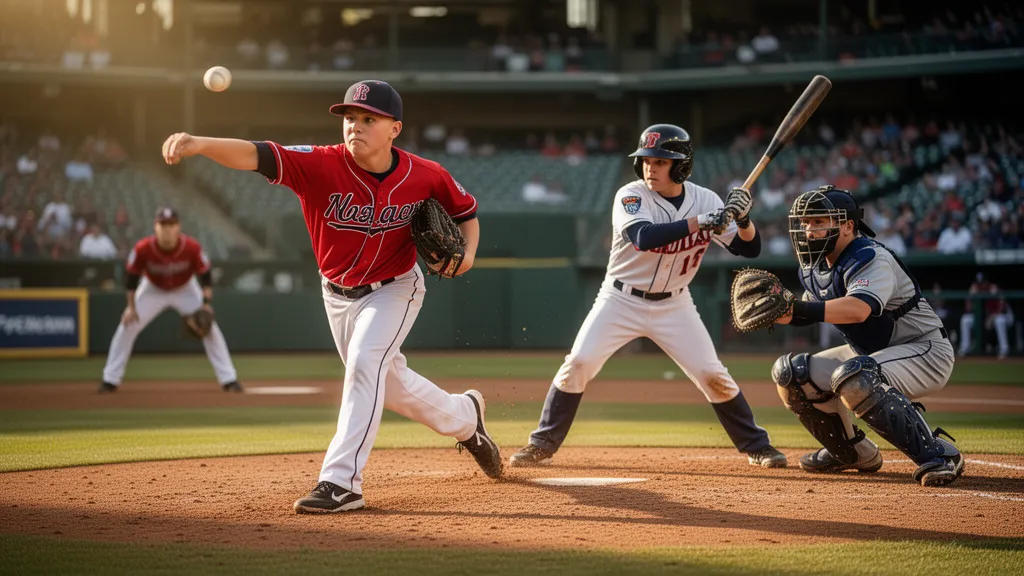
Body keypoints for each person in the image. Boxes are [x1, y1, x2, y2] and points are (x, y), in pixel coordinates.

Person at [160, 79, 502, 514]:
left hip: (396, 288)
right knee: (391, 388)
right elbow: (256, 153)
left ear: (394, 128)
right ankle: (466, 418)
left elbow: (465, 213)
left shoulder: (425, 174)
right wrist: (198, 143)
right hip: (337, 294)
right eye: (349, 118)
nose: (354, 126)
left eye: (368, 119)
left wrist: (468, 255)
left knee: (364, 365)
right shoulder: (320, 164)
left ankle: (341, 483)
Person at [508, 124, 787, 469]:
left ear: (681, 165)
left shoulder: (707, 200)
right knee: (578, 364)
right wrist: (700, 222)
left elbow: (750, 248)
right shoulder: (632, 194)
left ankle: (758, 447)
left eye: (660, 161)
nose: (649, 167)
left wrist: (744, 220)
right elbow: (643, 236)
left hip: (675, 304)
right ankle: (542, 443)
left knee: (711, 374)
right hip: (620, 299)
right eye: (646, 160)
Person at [771, 185, 963, 487]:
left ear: (848, 226)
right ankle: (851, 452)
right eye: (806, 222)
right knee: (791, 374)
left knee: (856, 378)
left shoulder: (870, 257)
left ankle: (939, 456)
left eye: (820, 221)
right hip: (874, 355)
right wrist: (781, 312)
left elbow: (858, 309)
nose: (809, 230)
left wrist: (798, 308)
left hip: (924, 350)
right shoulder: (816, 268)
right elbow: (818, 309)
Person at [100, 208, 241, 393]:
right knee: (128, 325)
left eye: (171, 224)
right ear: (155, 227)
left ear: (179, 227)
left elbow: (206, 276)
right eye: (163, 224)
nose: (167, 229)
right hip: (152, 289)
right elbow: (131, 279)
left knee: (210, 328)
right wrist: (130, 307)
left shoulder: (192, 247)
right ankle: (110, 379)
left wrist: (206, 304)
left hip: (185, 288)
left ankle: (229, 379)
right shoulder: (143, 248)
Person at [959, 272, 1012, 359]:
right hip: (986, 318)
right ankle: (965, 349)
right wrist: (970, 296)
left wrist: (991, 317)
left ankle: (1004, 350)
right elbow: (968, 309)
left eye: (983, 283)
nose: (981, 286)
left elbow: (1002, 308)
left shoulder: (994, 289)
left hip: (1005, 316)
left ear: (987, 282)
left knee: (999, 321)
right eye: (979, 284)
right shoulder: (975, 291)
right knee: (966, 320)